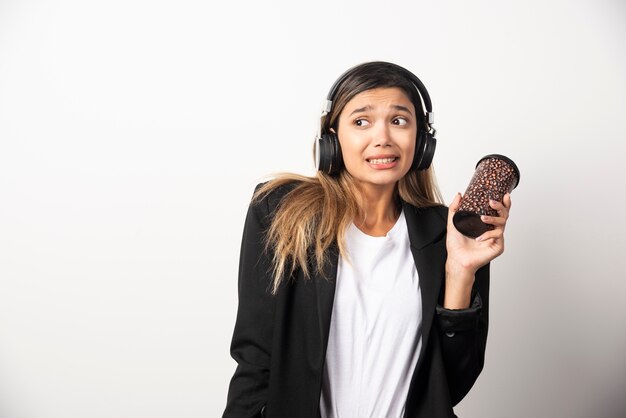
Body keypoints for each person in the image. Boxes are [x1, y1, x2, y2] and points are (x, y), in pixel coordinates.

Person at [223, 61, 511, 418]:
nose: (383, 138)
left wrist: (461, 271)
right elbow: (254, 358)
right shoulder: (281, 211)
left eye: (399, 120)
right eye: (361, 121)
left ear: (422, 142)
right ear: (332, 138)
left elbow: (451, 386)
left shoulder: (446, 232)